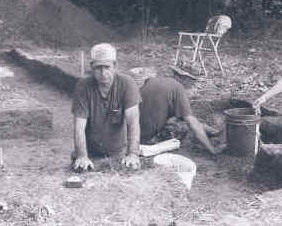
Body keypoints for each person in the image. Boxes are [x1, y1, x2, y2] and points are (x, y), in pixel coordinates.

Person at [71, 43, 141, 172]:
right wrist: (82, 156)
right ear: (92, 67)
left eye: (107, 67)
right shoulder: (83, 87)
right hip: (90, 152)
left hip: (117, 153)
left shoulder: (127, 85)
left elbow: (133, 123)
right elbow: (79, 126)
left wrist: (132, 154)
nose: (103, 73)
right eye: (98, 68)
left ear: (115, 66)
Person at [130, 68, 225, 155]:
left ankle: (212, 132)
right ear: (185, 78)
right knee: (182, 127)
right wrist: (212, 150)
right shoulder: (178, 89)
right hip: (144, 138)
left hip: (131, 131)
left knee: (181, 117)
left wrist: (210, 130)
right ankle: (154, 142)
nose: (194, 85)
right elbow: (192, 123)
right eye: (193, 81)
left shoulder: (154, 80)